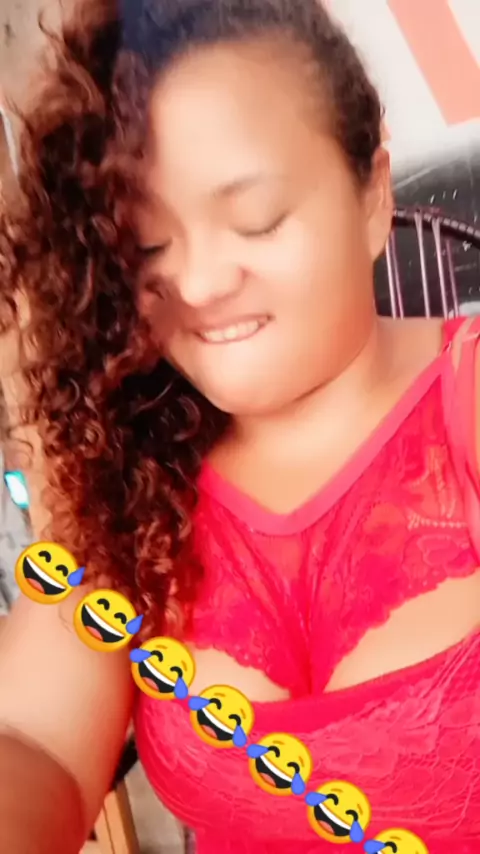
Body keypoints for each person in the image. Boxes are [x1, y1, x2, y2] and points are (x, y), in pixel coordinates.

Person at [0, 0, 479, 851]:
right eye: (149, 246)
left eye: (256, 218)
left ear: (373, 193)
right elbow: (33, 742)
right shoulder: (131, 476)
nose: (198, 283)